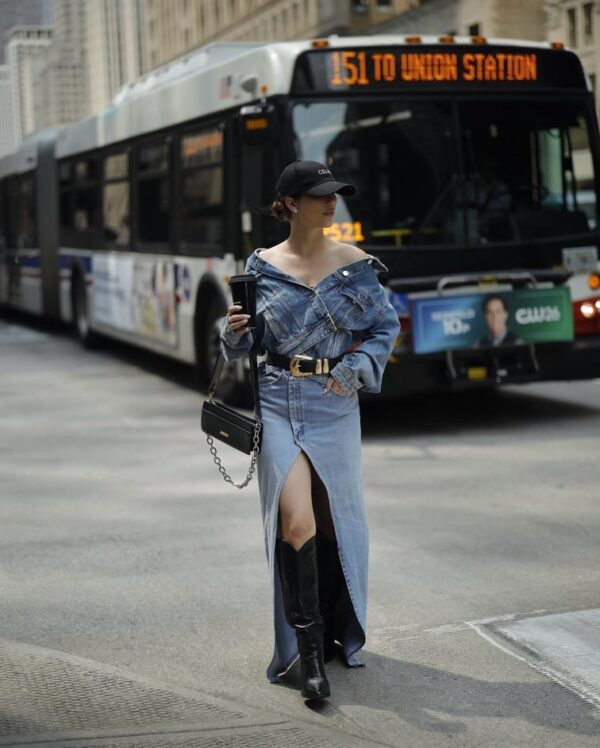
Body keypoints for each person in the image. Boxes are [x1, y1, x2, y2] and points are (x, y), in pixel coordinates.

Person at [220, 160, 400, 702]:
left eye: (336, 194)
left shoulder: (358, 265)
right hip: (277, 401)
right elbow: (244, 348)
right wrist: (232, 334)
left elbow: (384, 328)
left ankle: (335, 629)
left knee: (333, 521)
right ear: (290, 203)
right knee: (294, 519)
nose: (332, 202)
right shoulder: (260, 268)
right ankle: (309, 655)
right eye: (320, 195)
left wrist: (358, 367)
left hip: (335, 404)